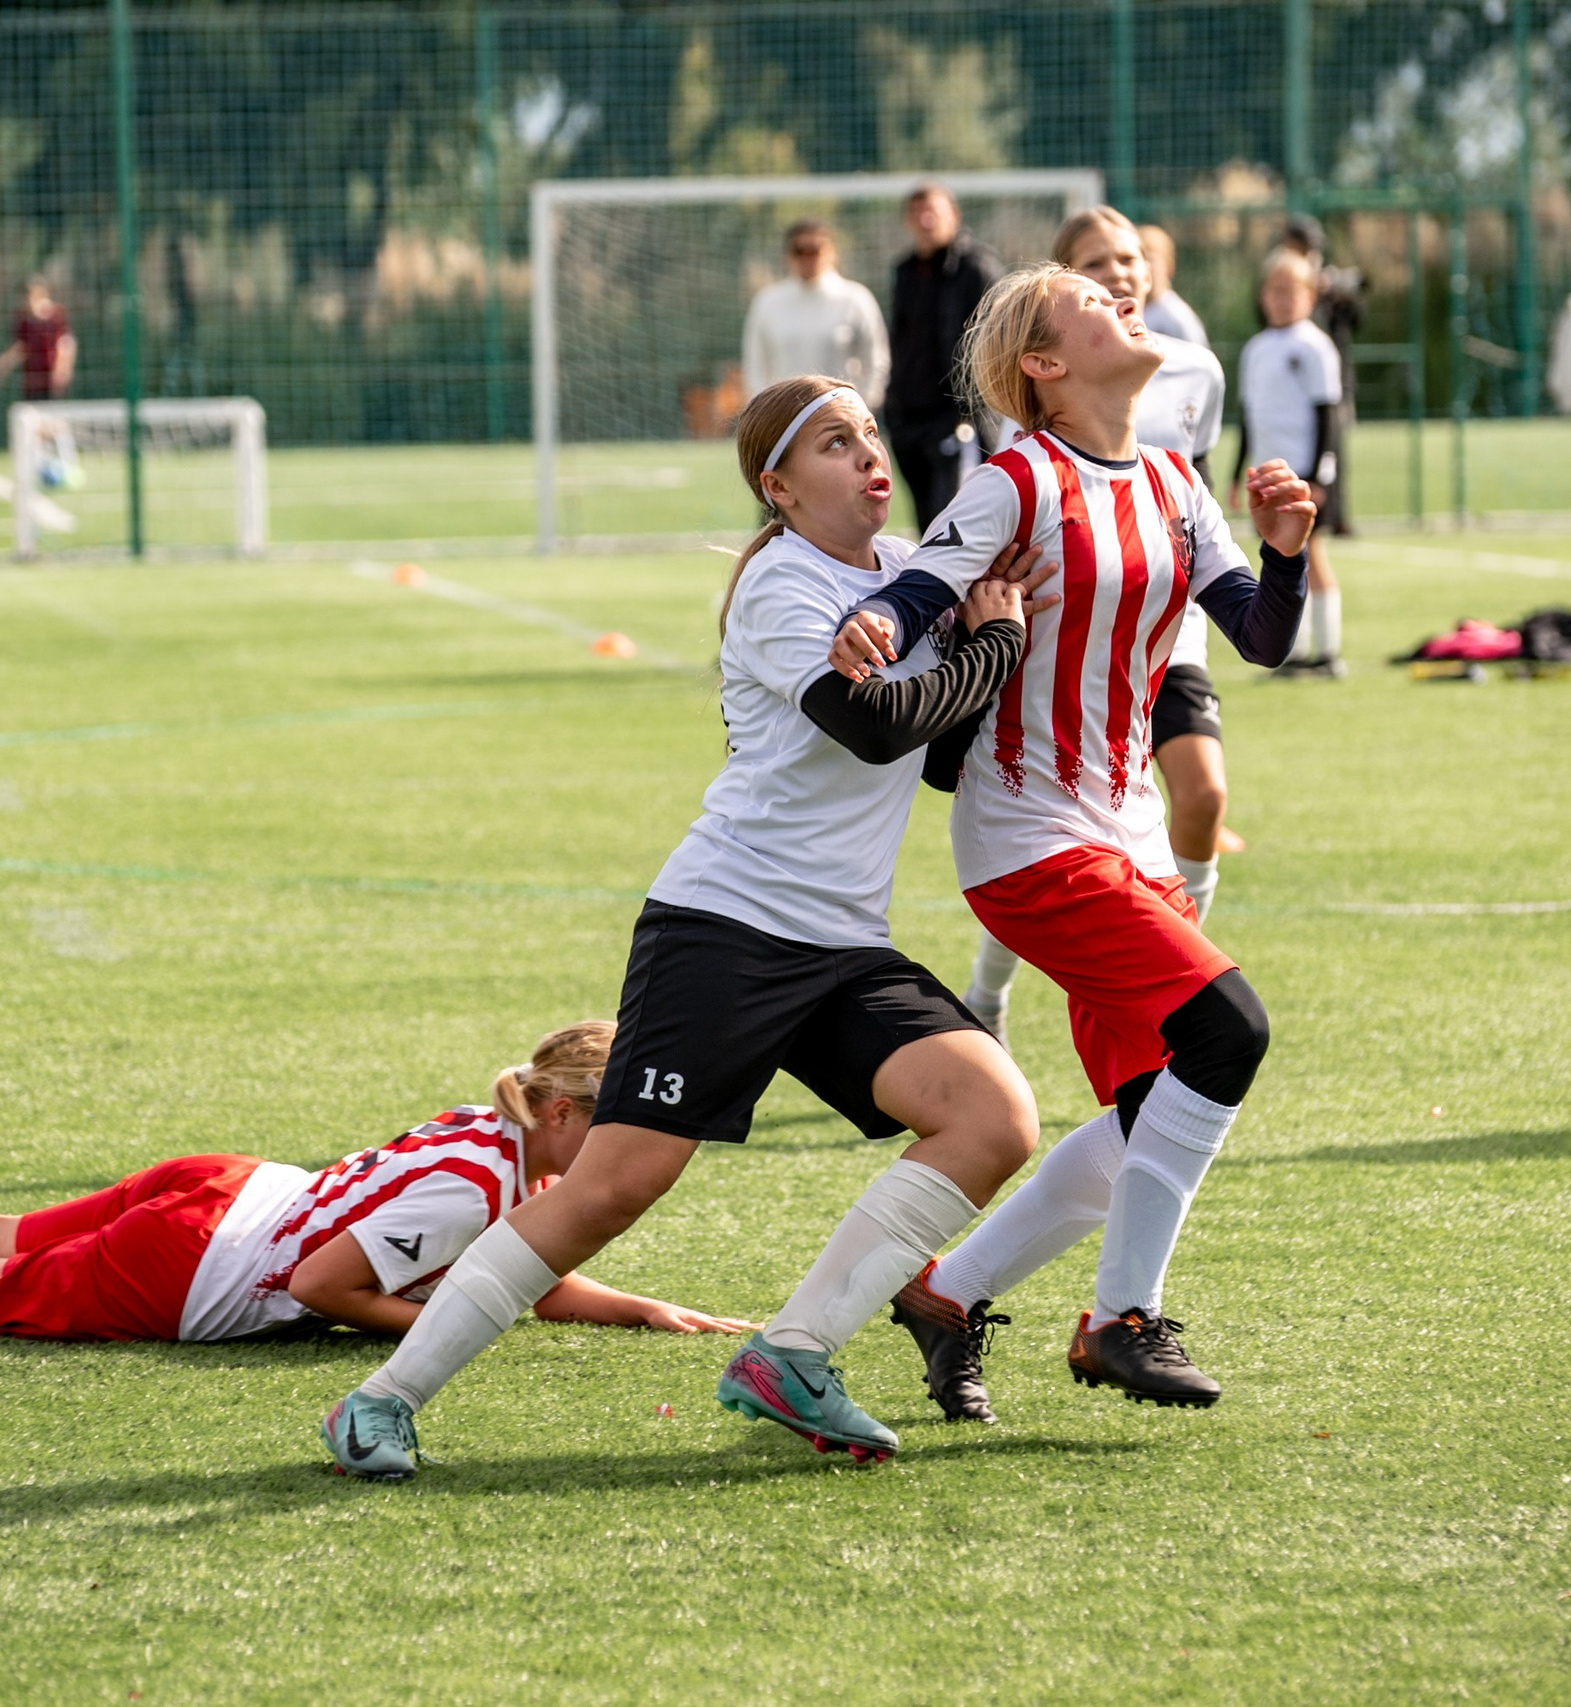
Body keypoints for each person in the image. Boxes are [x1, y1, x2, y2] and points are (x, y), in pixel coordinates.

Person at [320, 375, 1050, 1481]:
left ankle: (792, 1354)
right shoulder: (782, 589)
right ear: (778, 487)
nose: (867, 455)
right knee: (617, 1184)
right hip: (727, 924)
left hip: (842, 941)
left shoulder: (907, 581)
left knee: (991, 1116)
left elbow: (938, 753)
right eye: (833, 443)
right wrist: (989, 650)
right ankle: (381, 1399)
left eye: (868, 435)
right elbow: (868, 725)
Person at [826, 265, 1314, 1417]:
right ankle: (1118, 1320)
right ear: (1042, 368)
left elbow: (1259, 636)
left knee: (1156, 1110)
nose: (1124, 304)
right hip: (1029, 840)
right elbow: (925, 590)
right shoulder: (1016, 481)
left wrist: (1283, 551)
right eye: (1095, 306)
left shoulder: (1172, 483)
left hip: (1128, 834)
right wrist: (870, 621)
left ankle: (948, 1294)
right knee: (1227, 1029)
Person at [0, 1023, 756, 1343]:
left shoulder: (495, 1132)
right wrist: (417, 1327)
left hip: (228, 1185)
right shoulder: (484, 1188)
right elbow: (324, 1286)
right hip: (207, 1265)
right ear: (561, 1113)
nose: (627, 1143)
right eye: (616, 1119)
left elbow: (517, 1274)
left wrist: (641, 1309)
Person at [956, 207, 1243, 1049]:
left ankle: (1181, 965)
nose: (1118, 274)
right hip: (1070, 626)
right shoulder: (1037, 427)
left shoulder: (1192, 369)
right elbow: (1020, 506)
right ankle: (989, 990)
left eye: (1127, 258)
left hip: (1167, 623)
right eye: (1092, 265)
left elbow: (1201, 487)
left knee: (1203, 795)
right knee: (1053, 826)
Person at [1232, 251, 1345, 674]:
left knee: (1311, 556)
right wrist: (1235, 472)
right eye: (1275, 290)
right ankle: (1295, 652)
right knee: (1281, 557)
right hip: (1267, 475)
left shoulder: (1316, 346)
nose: (1282, 299)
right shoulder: (1256, 349)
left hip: (1302, 473)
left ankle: (1327, 652)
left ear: (1310, 296)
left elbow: (1328, 415)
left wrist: (1320, 475)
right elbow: (1249, 416)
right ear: (1263, 296)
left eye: (1292, 291)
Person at [884, 183, 1004, 532]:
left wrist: (973, 405)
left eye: (933, 211)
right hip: (909, 418)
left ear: (954, 216)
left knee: (954, 522)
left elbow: (996, 339)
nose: (925, 220)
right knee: (927, 524)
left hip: (958, 416)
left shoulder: (977, 267)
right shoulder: (904, 271)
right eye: (917, 213)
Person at [1276, 215, 1364, 536]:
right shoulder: (1281, 275)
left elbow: (1355, 317)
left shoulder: (1329, 277)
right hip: (1290, 380)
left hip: (1330, 379)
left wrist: (1334, 294)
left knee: (1333, 444)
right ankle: (1292, 508)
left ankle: (1335, 515)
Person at [742, 219, 889, 408]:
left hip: (841, 414)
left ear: (832, 251)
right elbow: (756, 364)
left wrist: (861, 407)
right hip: (785, 416)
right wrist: (765, 409)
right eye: (799, 250)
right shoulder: (767, 302)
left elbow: (876, 359)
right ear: (788, 254)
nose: (807, 257)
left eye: (815, 249)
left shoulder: (855, 299)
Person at [0, 275, 80, 481]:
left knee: (55, 421)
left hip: (51, 380)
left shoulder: (56, 315)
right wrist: (3, 365)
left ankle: (69, 461)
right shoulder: (23, 319)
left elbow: (66, 343)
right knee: (33, 422)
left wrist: (63, 367)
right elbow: (20, 347)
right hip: (32, 380)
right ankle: (40, 466)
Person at [1135, 223, 1208, 348]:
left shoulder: (1176, 316)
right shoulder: (1137, 310)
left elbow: (1199, 361)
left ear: (1169, 266)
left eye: (1150, 259)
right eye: (1137, 259)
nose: (1144, 267)